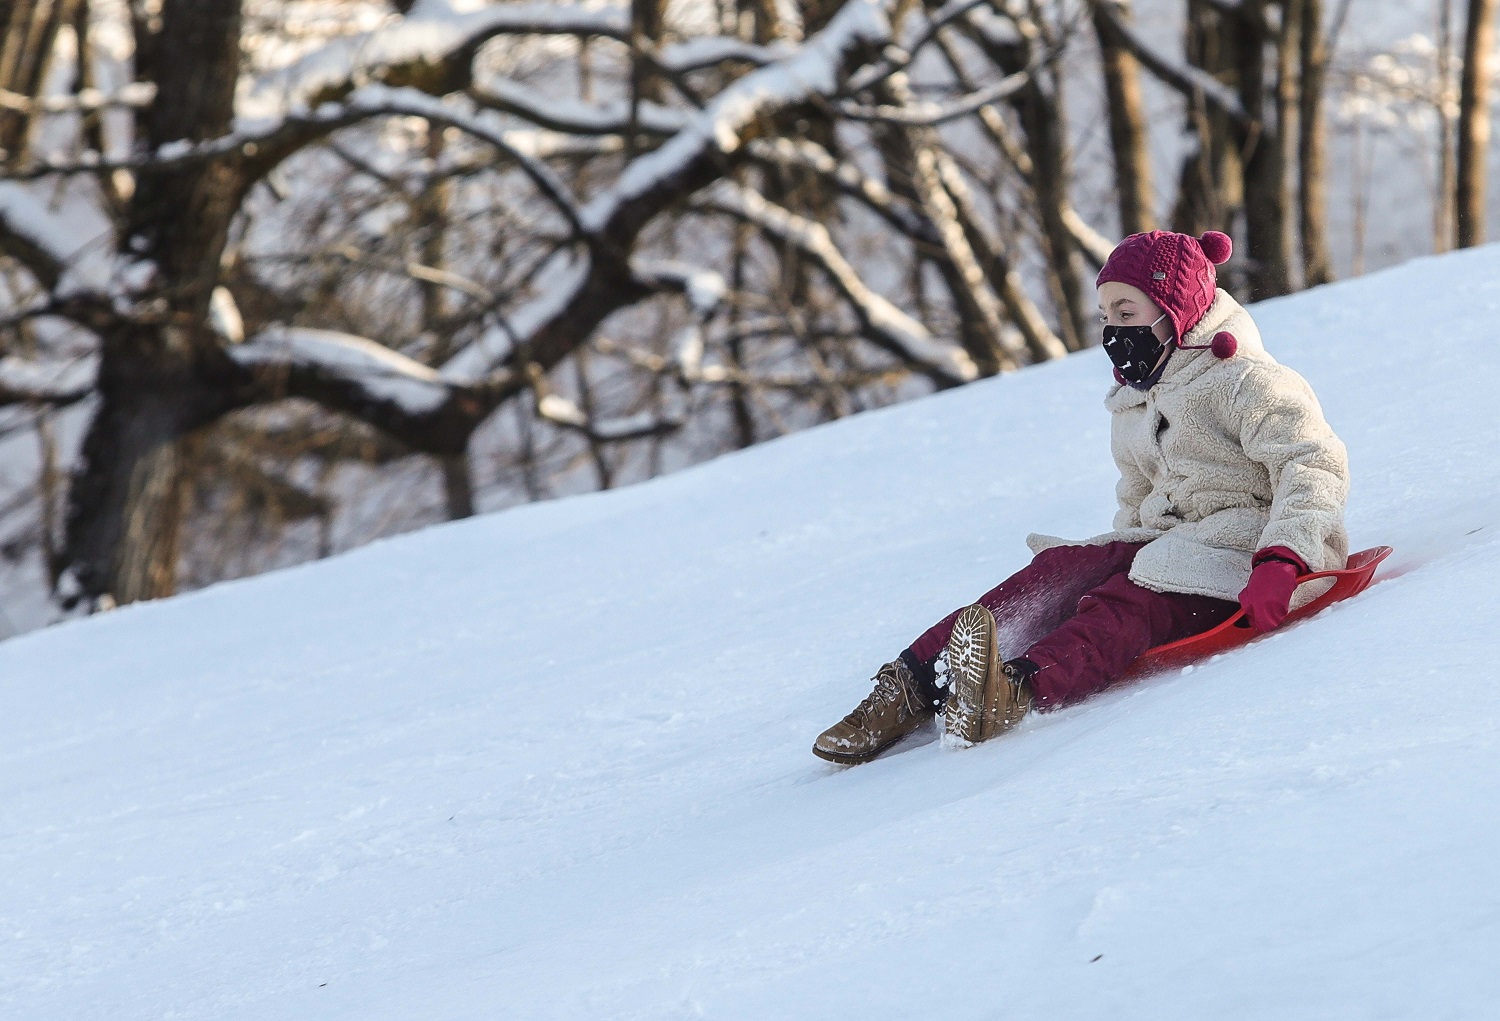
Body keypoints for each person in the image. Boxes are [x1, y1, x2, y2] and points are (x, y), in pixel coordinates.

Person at [813, 229, 1350, 765]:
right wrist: (1102, 562)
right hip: (1170, 542)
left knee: (1126, 604)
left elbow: (1313, 463)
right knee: (1058, 573)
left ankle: (1012, 693)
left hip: (1249, 556)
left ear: (1174, 307)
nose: (1114, 330)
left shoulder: (1247, 382)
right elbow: (1136, 491)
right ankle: (908, 685)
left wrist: (1284, 557)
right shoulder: (1137, 398)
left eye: (1126, 311)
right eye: (1105, 317)